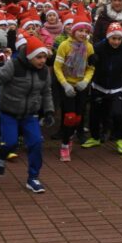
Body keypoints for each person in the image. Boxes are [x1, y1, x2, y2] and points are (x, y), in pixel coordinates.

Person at [0, 34, 54, 193]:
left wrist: (49, 111)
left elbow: (47, 92)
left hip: (30, 113)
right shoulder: (14, 65)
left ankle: (33, 178)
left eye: (44, 57)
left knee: (36, 143)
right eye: (39, 57)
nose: (42, 61)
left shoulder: (44, 72)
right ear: (29, 56)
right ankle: (1, 156)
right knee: (10, 142)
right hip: (9, 110)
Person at [87, 22, 122, 154]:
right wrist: (92, 59)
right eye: (113, 38)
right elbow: (88, 58)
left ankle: (119, 139)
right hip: (98, 85)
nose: (116, 41)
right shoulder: (98, 47)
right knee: (94, 114)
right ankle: (95, 137)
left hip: (115, 87)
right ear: (108, 37)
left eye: (119, 39)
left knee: (117, 114)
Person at [53, 10, 95, 162]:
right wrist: (65, 85)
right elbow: (57, 66)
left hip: (81, 86)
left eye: (86, 31)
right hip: (67, 86)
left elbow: (91, 67)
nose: (83, 34)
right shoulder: (64, 45)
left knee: (77, 117)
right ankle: (64, 145)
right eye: (80, 31)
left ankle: (70, 137)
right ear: (74, 31)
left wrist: (85, 81)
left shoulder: (89, 47)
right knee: (69, 116)